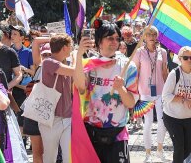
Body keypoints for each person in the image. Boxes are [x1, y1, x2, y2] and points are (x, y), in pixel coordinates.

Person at [74, 20, 139, 163]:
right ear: (99, 41)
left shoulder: (129, 66)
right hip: (91, 132)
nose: (114, 42)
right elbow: (80, 87)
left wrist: (121, 89)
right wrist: (79, 55)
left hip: (117, 134)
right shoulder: (89, 65)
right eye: (110, 38)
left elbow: (130, 102)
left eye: (117, 38)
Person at [35, 34, 75, 163]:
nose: (72, 49)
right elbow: (75, 71)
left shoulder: (66, 64)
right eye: (70, 46)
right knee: (50, 157)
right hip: (51, 120)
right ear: (64, 48)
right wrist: (78, 57)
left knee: (69, 157)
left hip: (67, 117)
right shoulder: (48, 62)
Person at [132, 26, 168, 162]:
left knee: (161, 121)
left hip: (160, 91)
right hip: (145, 92)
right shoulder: (139, 52)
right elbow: (135, 73)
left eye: (154, 34)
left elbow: (165, 72)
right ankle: (148, 153)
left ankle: (160, 149)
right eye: (149, 35)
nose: (152, 37)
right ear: (144, 37)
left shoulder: (163, 52)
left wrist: (168, 90)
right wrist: (134, 92)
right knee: (147, 123)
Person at [162, 46, 191, 163]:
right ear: (180, 59)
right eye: (186, 58)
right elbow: (165, 96)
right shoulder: (174, 74)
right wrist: (184, 99)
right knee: (179, 147)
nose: (189, 60)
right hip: (172, 117)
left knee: (187, 148)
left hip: (188, 118)